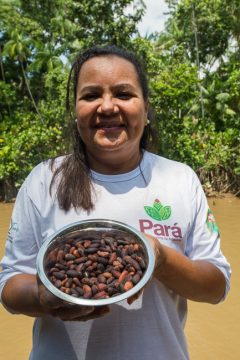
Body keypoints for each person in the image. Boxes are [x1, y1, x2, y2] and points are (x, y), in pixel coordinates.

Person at [0, 45, 231, 360]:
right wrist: (43, 297)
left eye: (123, 94)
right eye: (91, 95)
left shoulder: (180, 179)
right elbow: (10, 284)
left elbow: (217, 287)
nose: (107, 107)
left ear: (146, 108)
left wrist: (161, 259)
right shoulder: (44, 180)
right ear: (75, 109)